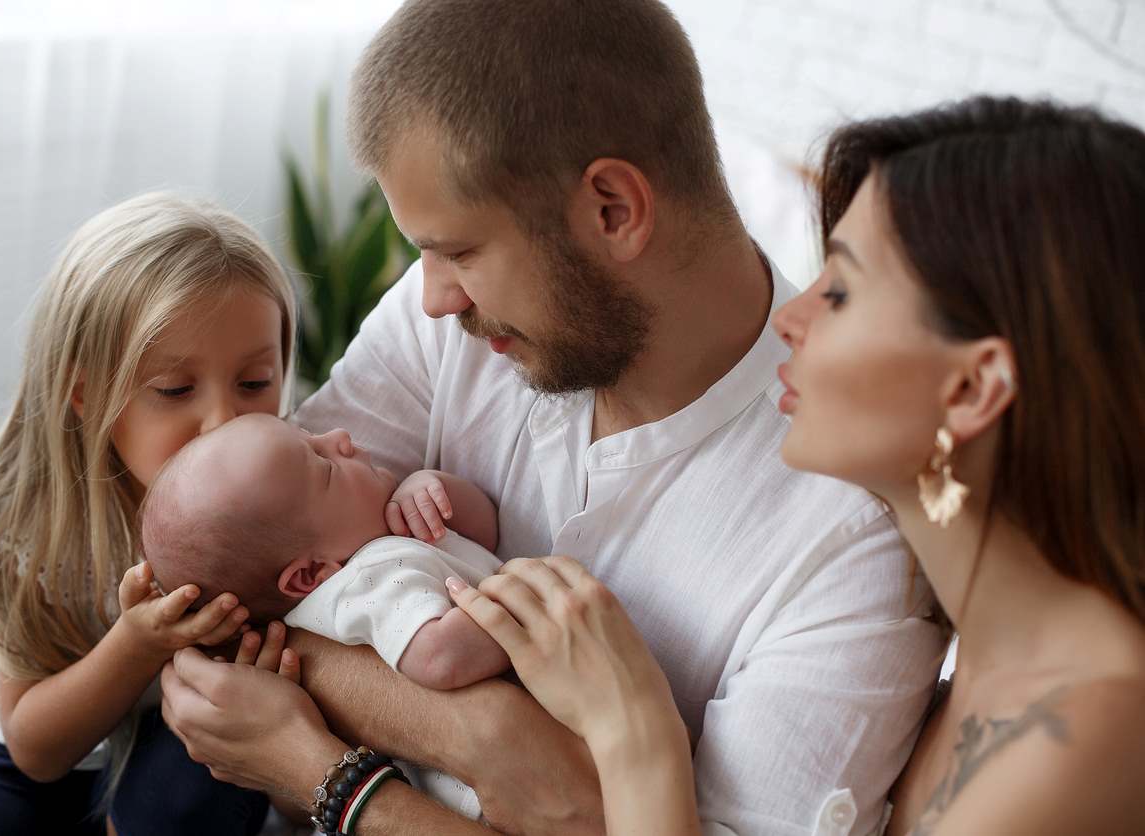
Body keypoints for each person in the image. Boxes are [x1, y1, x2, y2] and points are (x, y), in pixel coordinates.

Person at [158, 2, 946, 834]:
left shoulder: (856, 527)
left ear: (612, 208)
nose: (432, 296)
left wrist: (327, 774)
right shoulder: (459, 325)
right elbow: (235, 580)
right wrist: (488, 737)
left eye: (457, 251)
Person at [449, 96, 1145, 834]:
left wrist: (636, 735)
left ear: (973, 389)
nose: (791, 318)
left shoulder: (1096, 730)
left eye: (839, 291)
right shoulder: (986, 664)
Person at [0, 192, 298, 835]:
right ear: (86, 393)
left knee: (187, 795)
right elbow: (36, 749)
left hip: (195, 733)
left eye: (255, 384)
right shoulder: (32, 526)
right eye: (174, 390)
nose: (224, 422)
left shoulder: (294, 491)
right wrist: (136, 645)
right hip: (53, 748)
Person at [141, 412, 512, 822]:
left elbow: (485, 531)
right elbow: (441, 657)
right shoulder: (364, 581)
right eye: (326, 467)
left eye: (312, 435)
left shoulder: (381, 546)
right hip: (480, 805)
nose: (340, 437)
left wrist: (430, 491)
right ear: (310, 575)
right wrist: (521, 604)